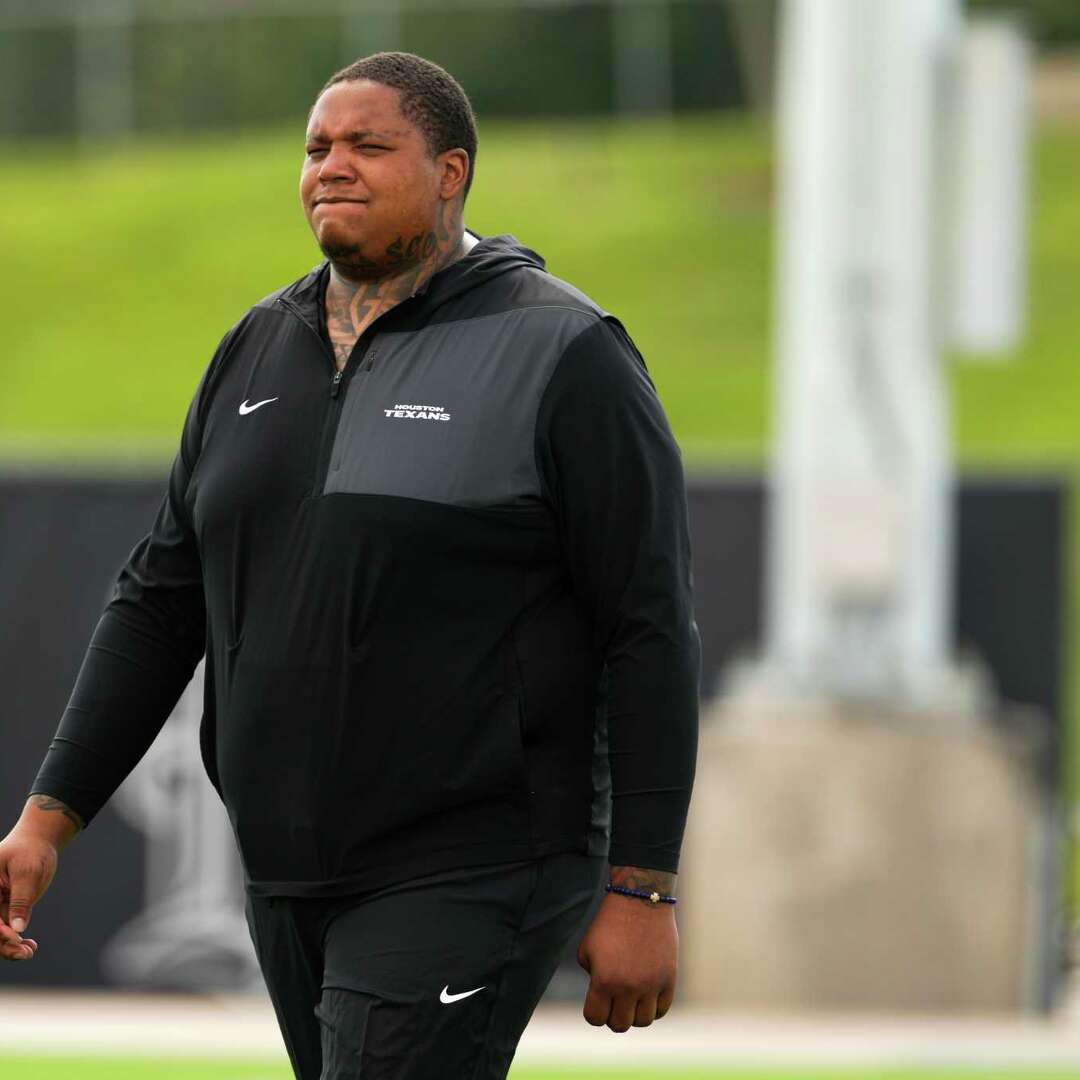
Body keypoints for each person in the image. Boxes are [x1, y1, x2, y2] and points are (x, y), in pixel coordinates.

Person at [0, 52, 700, 1079]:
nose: (333, 165)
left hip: (479, 857)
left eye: (369, 145)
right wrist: (45, 822)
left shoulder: (564, 351)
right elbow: (159, 602)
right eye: (318, 145)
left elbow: (649, 624)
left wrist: (643, 887)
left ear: (452, 170)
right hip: (286, 865)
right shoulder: (253, 348)